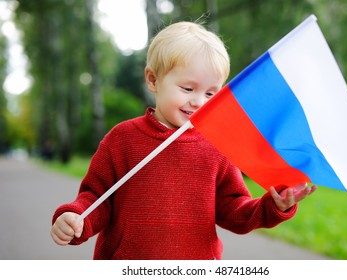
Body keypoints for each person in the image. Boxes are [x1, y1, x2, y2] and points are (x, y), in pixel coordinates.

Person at [50, 21, 317, 260]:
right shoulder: (122, 139)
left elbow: (235, 210)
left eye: (211, 93)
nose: (198, 102)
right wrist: (77, 218)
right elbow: (96, 197)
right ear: (153, 80)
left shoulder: (216, 146)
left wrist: (273, 207)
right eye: (188, 89)